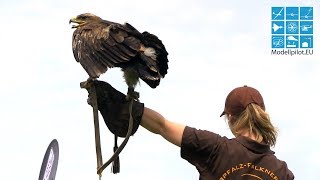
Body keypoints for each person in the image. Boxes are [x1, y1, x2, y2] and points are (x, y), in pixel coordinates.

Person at [85, 80, 294, 180]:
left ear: (230, 117)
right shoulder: (282, 172)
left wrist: (120, 104)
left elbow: (161, 126)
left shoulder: (216, 148)